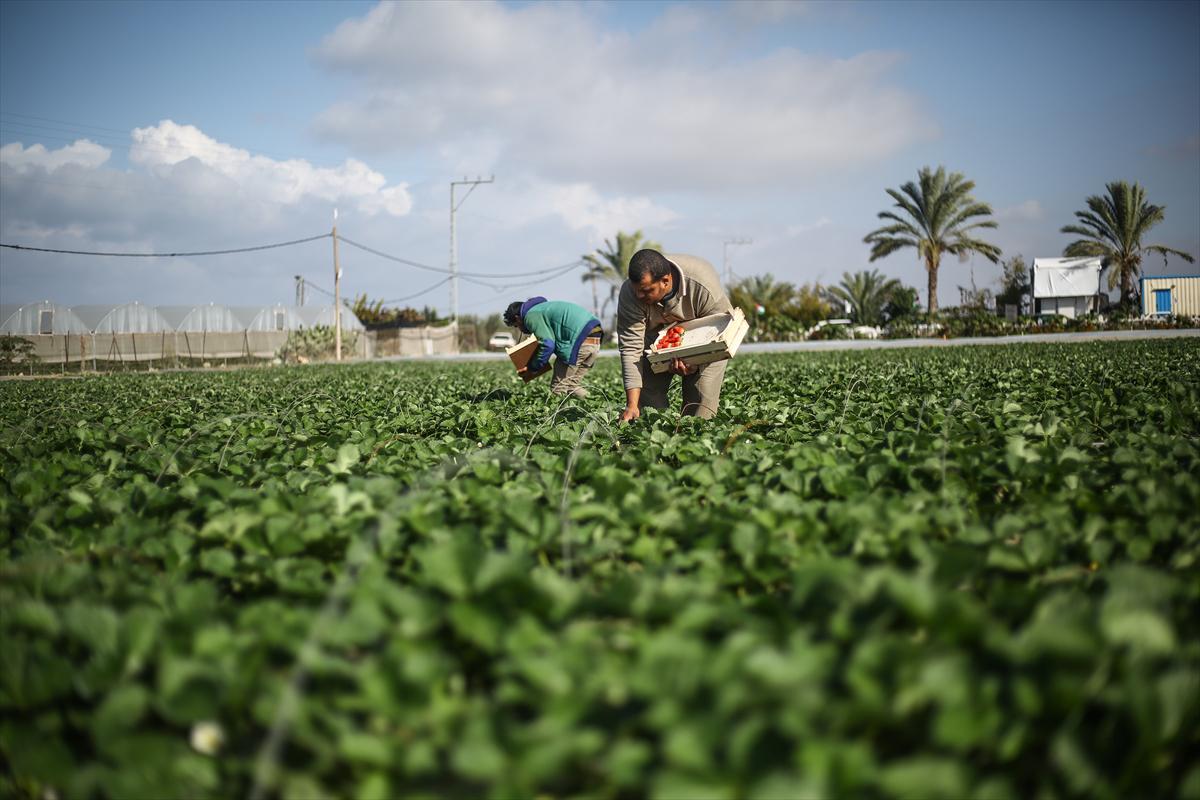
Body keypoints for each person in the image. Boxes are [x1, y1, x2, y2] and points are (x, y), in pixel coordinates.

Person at [617, 249, 733, 422]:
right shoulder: (630, 293)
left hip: (708, 336)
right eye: (637, 290)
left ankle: (693, 442)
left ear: (665, 281)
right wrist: (632, 405)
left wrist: (692, 360)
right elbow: (630, 347)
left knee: (702, 396)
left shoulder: (702, 284)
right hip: (655, 339)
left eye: (646, 290)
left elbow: (720, 332)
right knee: (647, 396)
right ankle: (657, 438)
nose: (639, 296)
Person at [503, 297, 602, 398]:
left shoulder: (531, 315)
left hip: (580, 343)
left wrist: (533, 367)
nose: (520, 329)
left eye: (516, 326)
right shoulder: (543, 308)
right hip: (595, 340)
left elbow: (547, 344)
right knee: (572, 387)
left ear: (517, 318)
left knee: (558, 388)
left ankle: (561, 413)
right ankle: (599, 406)